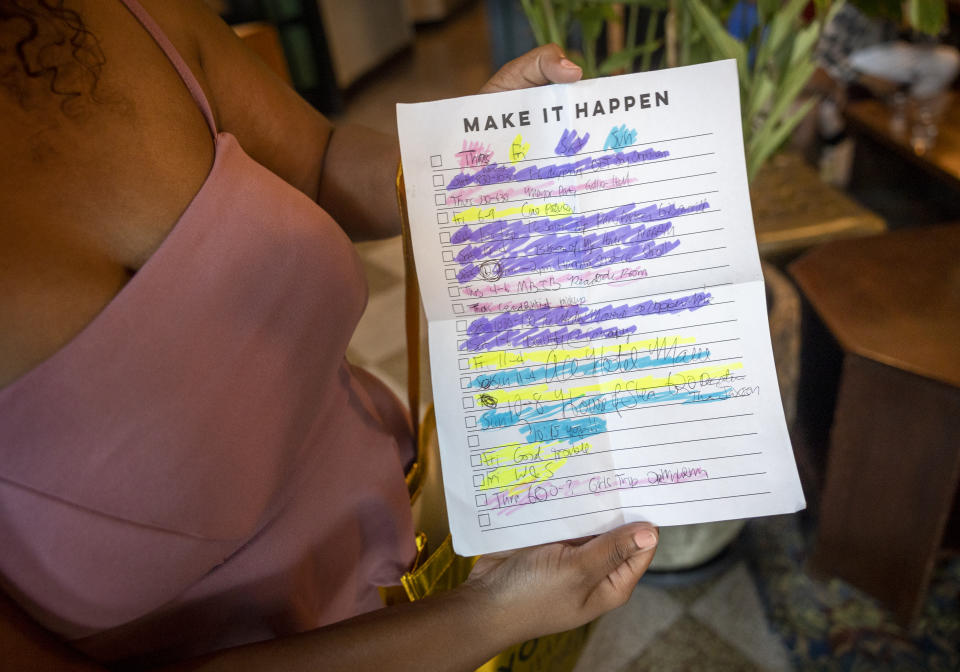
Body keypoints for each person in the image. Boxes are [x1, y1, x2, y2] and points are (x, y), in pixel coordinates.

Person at [0, 1, 660, 670]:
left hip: (410, 522)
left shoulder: (121, 13)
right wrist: (483, 618)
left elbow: (316, 160)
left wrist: (463, 169)